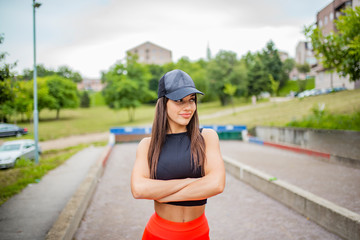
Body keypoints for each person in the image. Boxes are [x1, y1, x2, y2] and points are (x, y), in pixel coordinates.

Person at [131, 69, 225, 240]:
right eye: (179, 101)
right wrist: (192, 183)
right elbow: (139, 189)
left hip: (199, 232)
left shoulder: (207, 137)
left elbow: (216, 184)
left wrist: (161, 195)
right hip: (159, 233)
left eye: (191, 100)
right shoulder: (147, 145)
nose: (188, 107)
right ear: (163, 103)